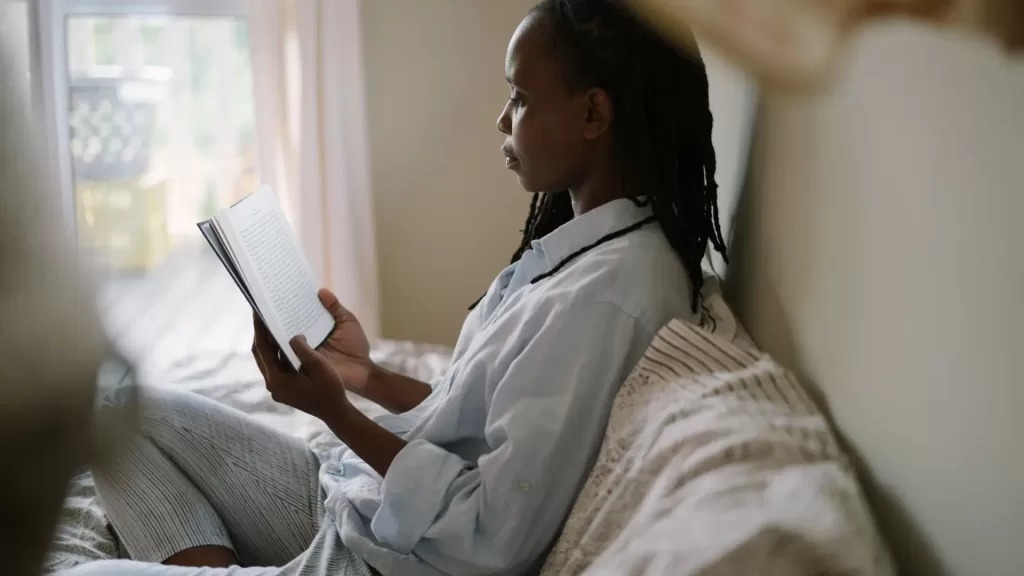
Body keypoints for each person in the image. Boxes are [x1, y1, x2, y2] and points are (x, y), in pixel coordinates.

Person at [63, 1, 728, 574]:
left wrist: (338, 415)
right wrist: (365, 376)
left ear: (593, 113)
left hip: (387, 559)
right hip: (362, 504)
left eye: (521, 98)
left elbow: (491, 536)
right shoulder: (590, 252)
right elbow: (476, 423)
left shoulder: (606, 300)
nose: (503, 120)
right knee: (118, 407)